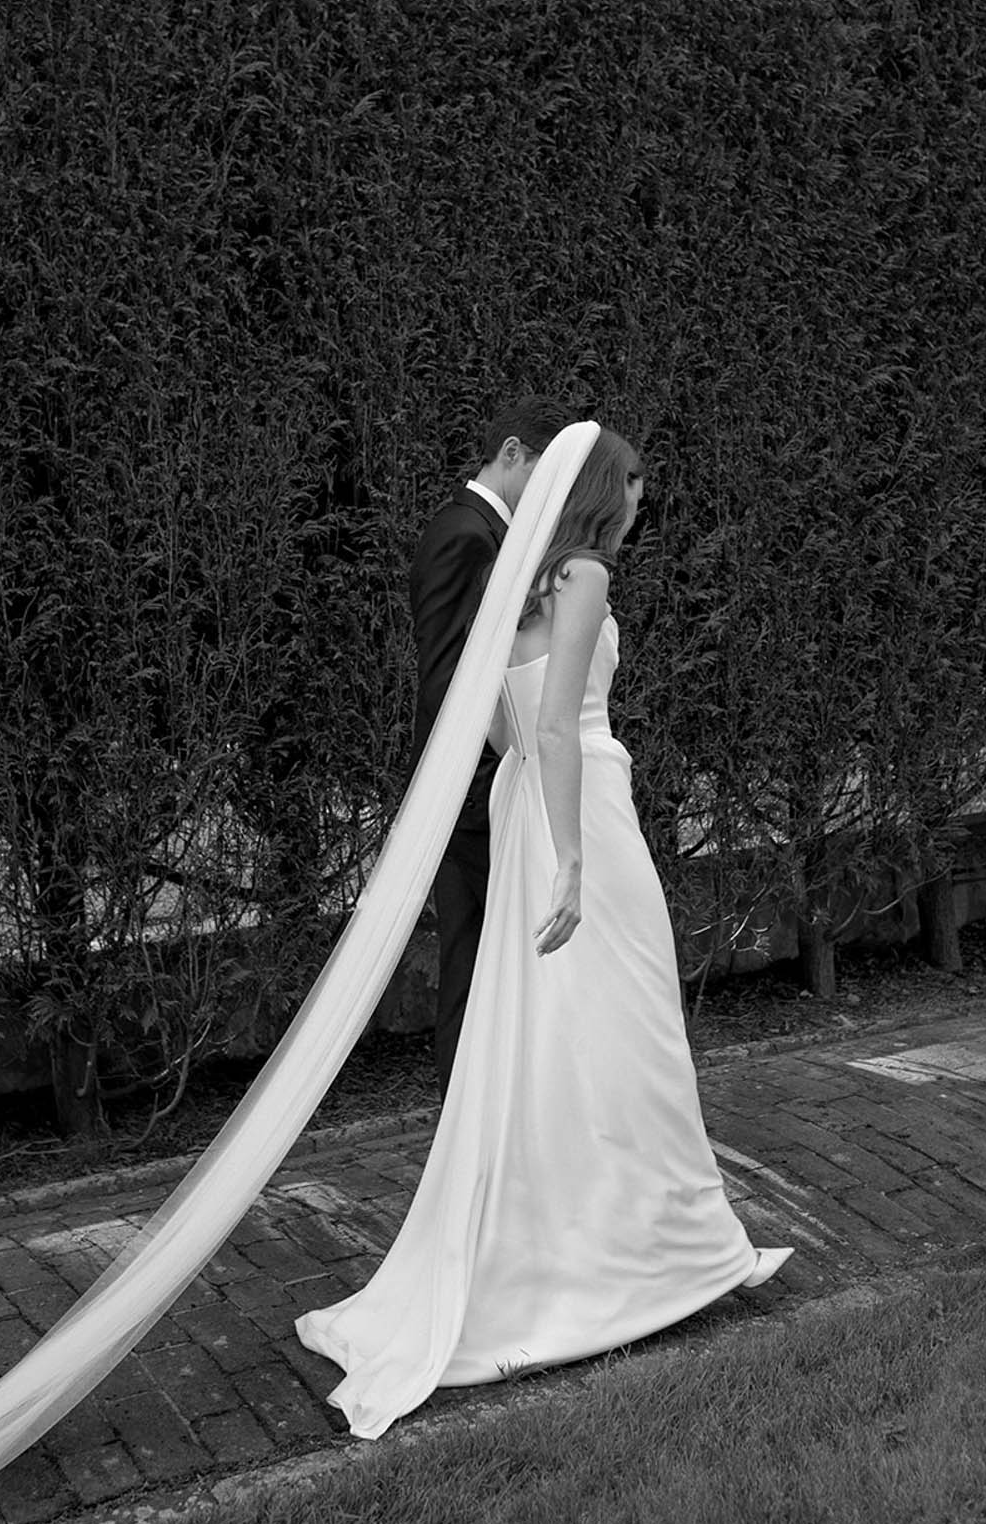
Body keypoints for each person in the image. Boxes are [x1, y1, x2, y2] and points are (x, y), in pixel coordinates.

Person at [296, 424, 791, 1439]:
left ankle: (624, 1244)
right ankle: (659, 1252)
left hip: (524, 803)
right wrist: (569, 855)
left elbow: (500, 722)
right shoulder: (585, 575)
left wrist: (536, 805)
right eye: (637, 491)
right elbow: (562, 724)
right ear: (607, 493)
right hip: (580, 818)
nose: (642, 509)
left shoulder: (517, 583)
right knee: (630, 1023)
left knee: (555, 1033)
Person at [408, 397, 570, 1096]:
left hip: (484, 789)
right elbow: (447, 679)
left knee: (490, 962)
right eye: (542, 473)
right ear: (511, 453)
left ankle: (490, 1118)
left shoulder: (482, 532)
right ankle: (462, 1124)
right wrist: (506, 759)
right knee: (473, 965)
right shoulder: (466, 535)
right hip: (472, 792)